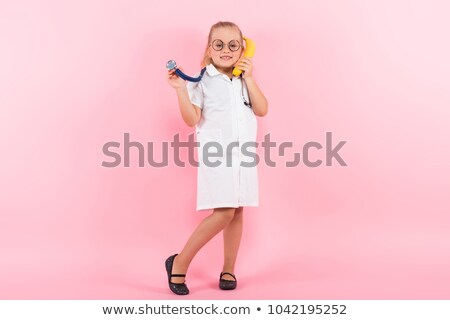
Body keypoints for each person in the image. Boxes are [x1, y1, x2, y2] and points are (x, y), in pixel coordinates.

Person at [165, 21, 268, 295]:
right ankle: (179, 262)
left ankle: (228, 269)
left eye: (233, 45)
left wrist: (249, 78)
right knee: (223, 212)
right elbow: (191, 119)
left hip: (244, 155)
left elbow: (262, 109)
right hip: (217, 155)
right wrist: (179, 91)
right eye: (219, 44)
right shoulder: (202, 80)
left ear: (243, 49)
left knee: (237, 211)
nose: (226, 50)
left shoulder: (243, 79)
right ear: (209, 49)